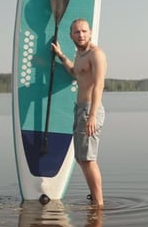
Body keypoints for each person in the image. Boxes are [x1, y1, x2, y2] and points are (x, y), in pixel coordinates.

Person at [51, 18, 107, 209]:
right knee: (82, 158)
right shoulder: (80, 55)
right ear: (71, 35)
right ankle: (95, 199)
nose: (81, 35)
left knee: (89, 159)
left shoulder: (96, 54)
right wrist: (60, 55)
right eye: (77, 32)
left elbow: (99, 85)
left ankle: (99, 205)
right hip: (80, 110)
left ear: (90, 32)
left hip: (90, 110)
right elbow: (75, 73)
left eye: (84, 31)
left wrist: (92, 115)